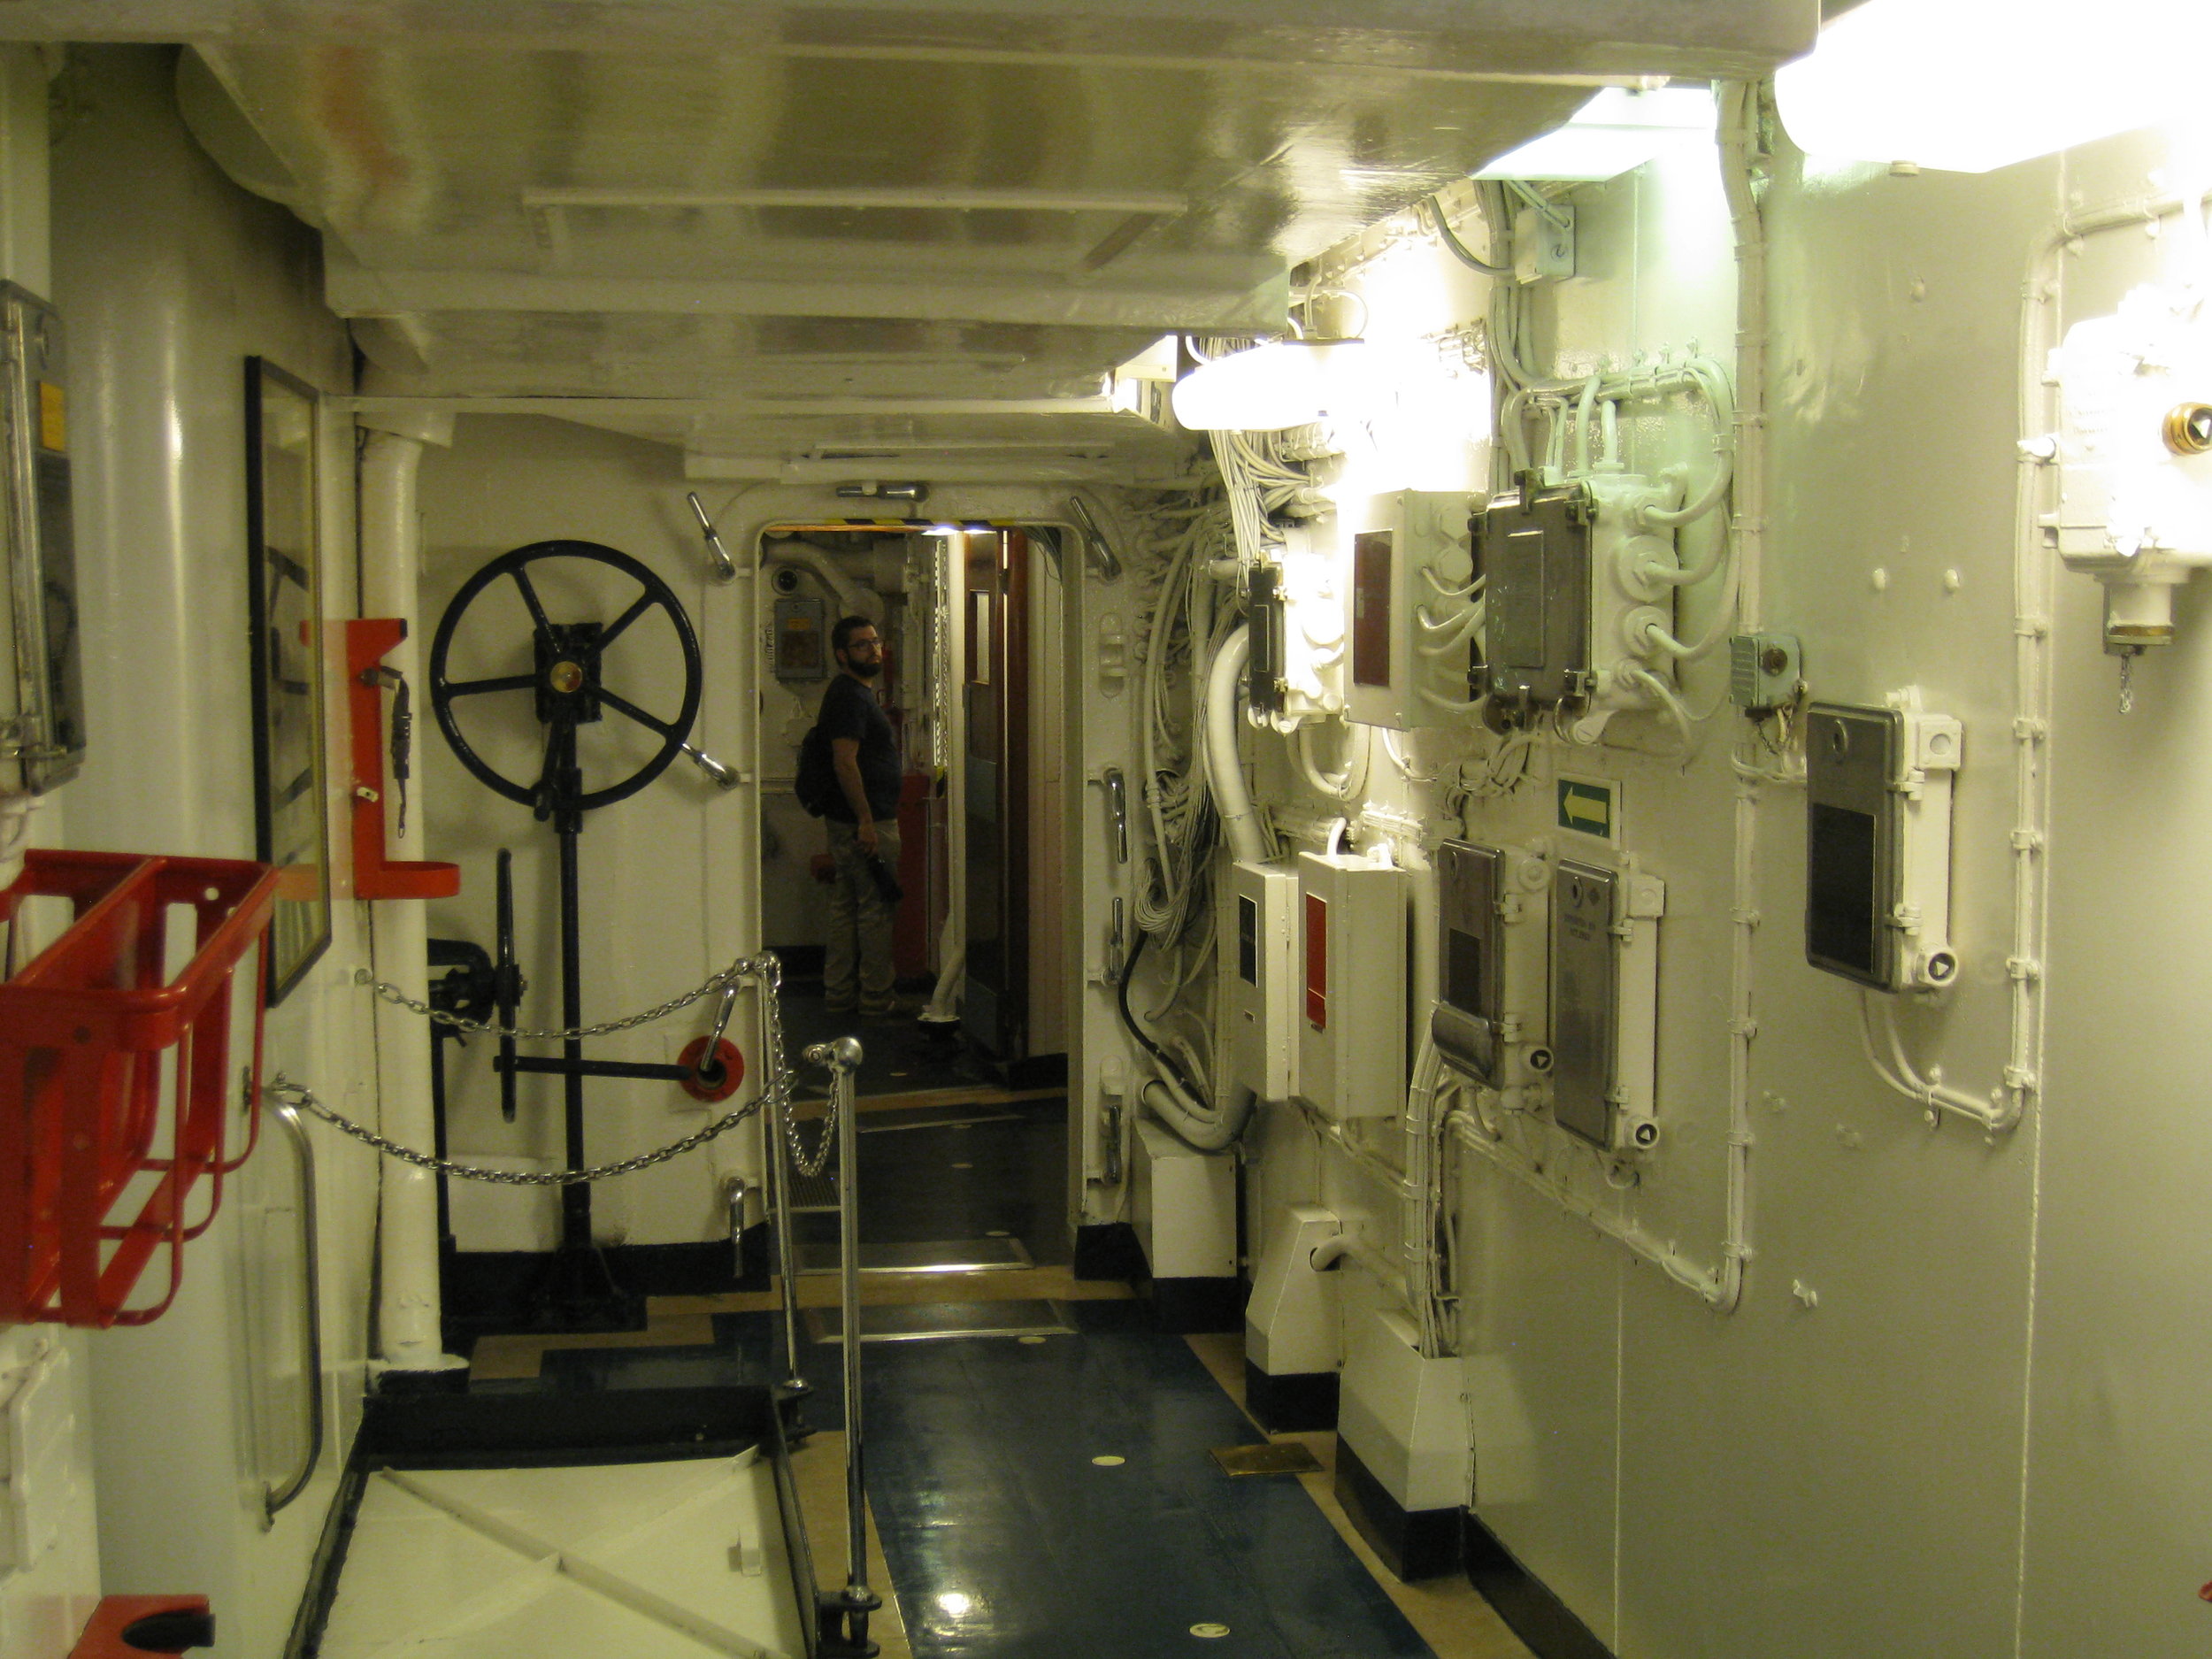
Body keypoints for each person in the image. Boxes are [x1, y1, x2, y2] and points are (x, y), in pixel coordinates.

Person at [816, 614, 911, 1017]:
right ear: (842, 654)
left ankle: (838, 994)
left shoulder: (850, 693)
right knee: (874, 909)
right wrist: (867, 821)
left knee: (847, 906)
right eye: (861, 645)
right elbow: (844, 762)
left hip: (850, 822)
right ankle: (876, 997)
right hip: (865, 824)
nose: (874, 650)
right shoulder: (850, 697)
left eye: (875, 642)